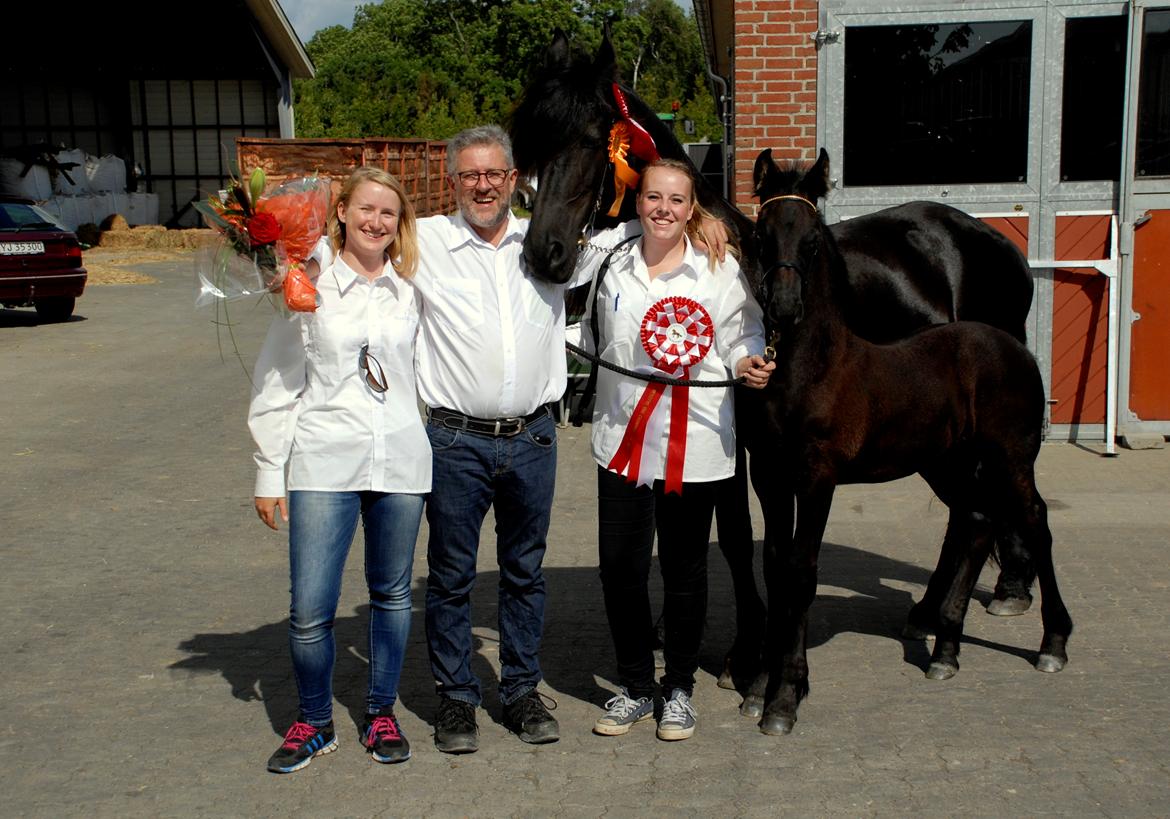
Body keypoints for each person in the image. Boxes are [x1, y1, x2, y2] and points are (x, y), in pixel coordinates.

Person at [566, 158, 775, 741]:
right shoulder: (610, 262)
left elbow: (744, 330)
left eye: (677, 201)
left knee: (685, 571)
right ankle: (635, 686)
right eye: (653, 197)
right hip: (622, 441)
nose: (663, 209)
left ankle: (679, 688)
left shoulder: (719, 266)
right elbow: (560, 280)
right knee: (620, 570)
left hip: (699, 440)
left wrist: (746, 363)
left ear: (693, 208)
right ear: (639, 202)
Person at [249, 167, 431, 773]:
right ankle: (314, 720)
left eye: (390, 214)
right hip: (324, 461)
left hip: (400, 463)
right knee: (310, 608)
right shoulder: (306, 284)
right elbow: (277, 381)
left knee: (393, 596)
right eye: (367, 209)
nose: (377, 222)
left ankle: (380, 711)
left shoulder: (411, 292)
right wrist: (269, 470)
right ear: (343, 213)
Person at [409, 125, 569, 754]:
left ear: (513, 179)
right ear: (452, 181)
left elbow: (638, 239)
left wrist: (706, 227)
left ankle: (522, 691)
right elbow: (347, 250)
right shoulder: (422, 242)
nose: (483, 185)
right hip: (455, 442)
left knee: (525, 571)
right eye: (469, 174)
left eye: (494, 174)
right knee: (450, 576)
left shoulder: (548, 241)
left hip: (532, 439)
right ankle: (455, 700)